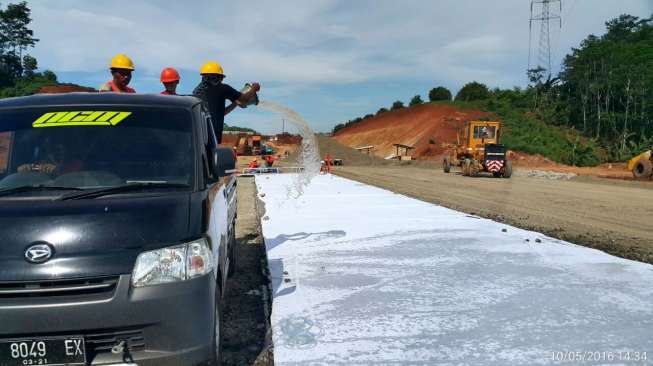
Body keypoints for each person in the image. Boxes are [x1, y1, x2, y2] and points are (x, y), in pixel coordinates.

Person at [192, 61, 260, 143]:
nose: (222, 80)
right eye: (221, 78)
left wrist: (235, 103)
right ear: (218, 77)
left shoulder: (196, 91)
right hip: (212, 138)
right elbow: (245, 99)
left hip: (197, 137)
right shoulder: (223, 89)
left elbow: (219, 113)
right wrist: (253, 88)